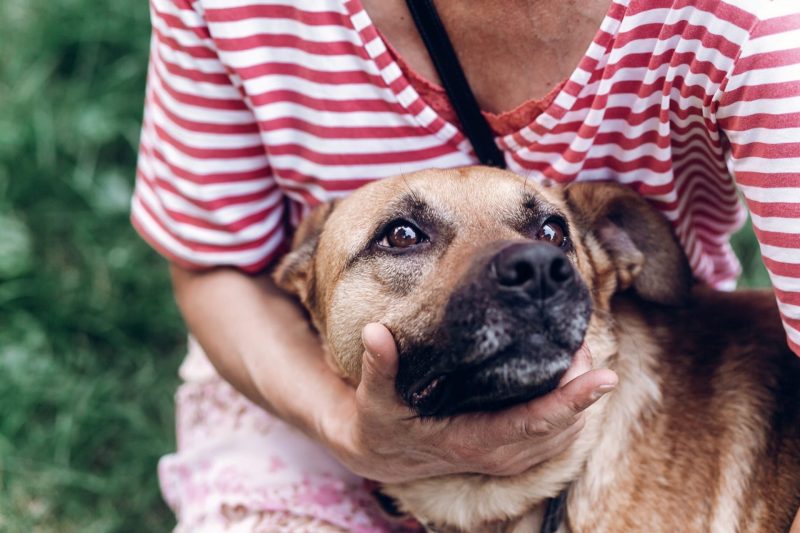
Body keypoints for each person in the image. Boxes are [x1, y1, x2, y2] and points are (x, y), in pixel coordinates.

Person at [132, 0, 800, 530]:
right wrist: (346, 427)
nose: (529, 264)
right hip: (300, 379)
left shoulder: (762, 26)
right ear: (306, 274)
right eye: (402, 236)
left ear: (611, 258)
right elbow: (216, 265)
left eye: (546, 235)